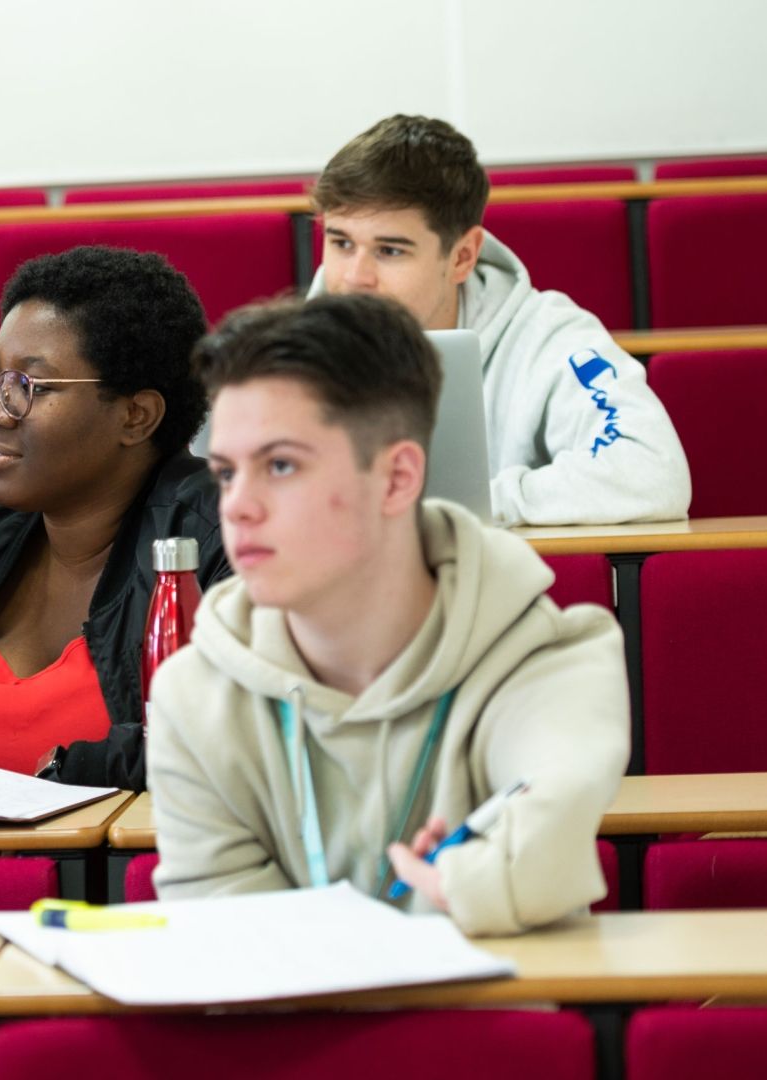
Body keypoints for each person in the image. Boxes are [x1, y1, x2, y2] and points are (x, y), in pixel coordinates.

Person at [147, 294, 628, 935]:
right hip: (293, 1038)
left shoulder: (550, 659)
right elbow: (227, 942)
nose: (236, 507)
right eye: (227, 472)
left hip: (493, 1030)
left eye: (281, 465)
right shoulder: (194, 693)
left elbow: (538, 847)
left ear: (398, 479)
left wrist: (477, 880)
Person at [0, 246, 230, 791]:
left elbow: (213, 752)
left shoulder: (212, 536)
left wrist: (63, 778)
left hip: (108, 873)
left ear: (136, 415)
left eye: (29, 388)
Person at [308, 114, 691, 527]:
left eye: (390, 250)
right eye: (341, 242)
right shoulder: (293, 350)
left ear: (462, 256)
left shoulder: (551, 337)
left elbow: (651, 469)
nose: (355, 277)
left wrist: (463, 507)